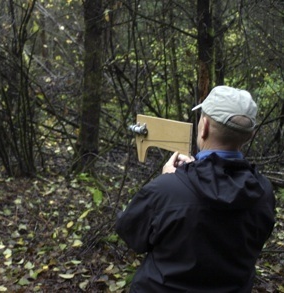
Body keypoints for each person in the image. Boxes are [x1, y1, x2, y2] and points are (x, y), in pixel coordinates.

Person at [116, 85, 276, 292]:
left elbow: (132, 236)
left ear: (205, 127)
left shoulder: (166, 189)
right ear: (249, 135)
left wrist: (167, 185)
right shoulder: (263, 191)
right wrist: (196, 172)